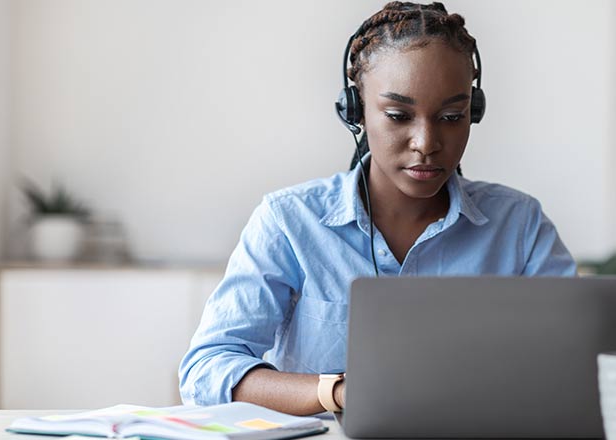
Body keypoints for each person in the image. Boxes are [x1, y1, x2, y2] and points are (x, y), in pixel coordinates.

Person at [179, 1, 577, 416]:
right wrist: (336, 392)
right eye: (398, 115)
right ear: (355, 112)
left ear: (473, 112)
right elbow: (206, 369)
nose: (426, 141)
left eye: (451, 116)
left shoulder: (521, 226)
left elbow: (576, 364)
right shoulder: (289, 223)